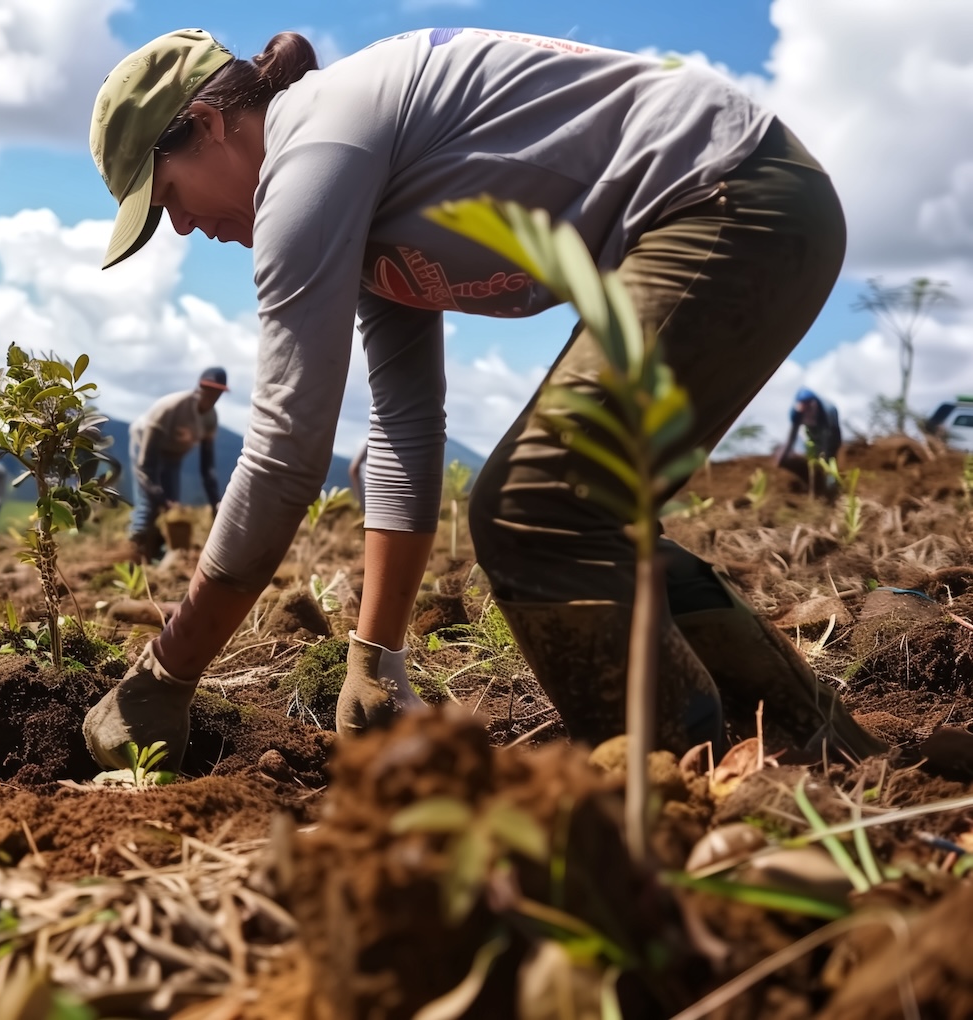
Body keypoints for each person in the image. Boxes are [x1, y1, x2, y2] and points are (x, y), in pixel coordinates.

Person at [80, 27, 883, 769]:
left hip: (733, 197)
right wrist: (376, 655)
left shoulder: (312, 149)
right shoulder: (352, 197)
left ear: (207, 124)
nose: (180, 227)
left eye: (165, 196)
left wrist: (166, 671)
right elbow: (403, 426)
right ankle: (811, 751)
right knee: (576, 513)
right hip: (750, 200)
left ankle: (678, 795)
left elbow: (287, 453)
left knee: (537, 509)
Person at [127, 367, 228, 561]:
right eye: (209, 389)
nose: (213, 395)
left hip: (173, 456)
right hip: (145, 447)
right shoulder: (171, 408)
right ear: (200, 387)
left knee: (172, 506)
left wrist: (216, 502)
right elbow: (146, 465)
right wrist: (158, 495)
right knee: (148, 503)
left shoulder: (210, 418)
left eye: (218, 392)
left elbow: (207, 467)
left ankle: (162, 553)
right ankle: (136, 551)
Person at [773, 387, 843, 497]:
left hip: (828, 428)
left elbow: (830, 438)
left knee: (830, 452)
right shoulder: (797, 413)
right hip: (811, 429)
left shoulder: (827, 411)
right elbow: (792, 435)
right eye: (804, 409)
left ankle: (831, 484)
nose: (807, 412)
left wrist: (824, 459)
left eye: (809, 408)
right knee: (809, 450)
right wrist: (782, 457)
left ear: (814, 404)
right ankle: (813, 482)